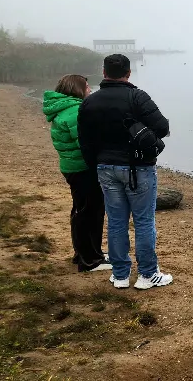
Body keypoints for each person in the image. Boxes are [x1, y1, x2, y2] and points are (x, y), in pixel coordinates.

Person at [78, 54, 173, 290]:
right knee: (143, 222)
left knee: (116, 222)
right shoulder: (137, 97)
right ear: (129, 73)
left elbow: (85, 141)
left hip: (105, 168)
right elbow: (163, 128)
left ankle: (120, 275)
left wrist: (97, 164)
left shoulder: (90, 102)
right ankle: (147, 275)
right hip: (138, 168)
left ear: (103, 72)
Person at [42, 75, 112, 273]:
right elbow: (85, 140)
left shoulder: (63, 108)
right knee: (91, 212)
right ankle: (90, 260)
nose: (90, 89)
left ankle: (85, 252)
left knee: (81, 210)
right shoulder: (75, 111)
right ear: (77, 89)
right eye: (87, 87)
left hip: (72, 167)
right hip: (83, 168)